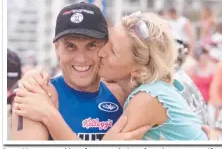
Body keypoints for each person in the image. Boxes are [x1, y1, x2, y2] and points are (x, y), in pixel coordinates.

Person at [14, 12, 209, 140]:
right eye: (70, 46)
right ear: (56, 48)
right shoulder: (40, 93)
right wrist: (31, 76)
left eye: (94, 45)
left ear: (138, 70)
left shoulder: (146, 97)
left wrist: (49, 116)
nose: (100, 54)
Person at [11, 2, 149, 141]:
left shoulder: (123, 94)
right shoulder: (37, 95)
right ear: (57, 48)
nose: (81, 59)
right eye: (70, 46)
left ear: (105, 46)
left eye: (91, 45)